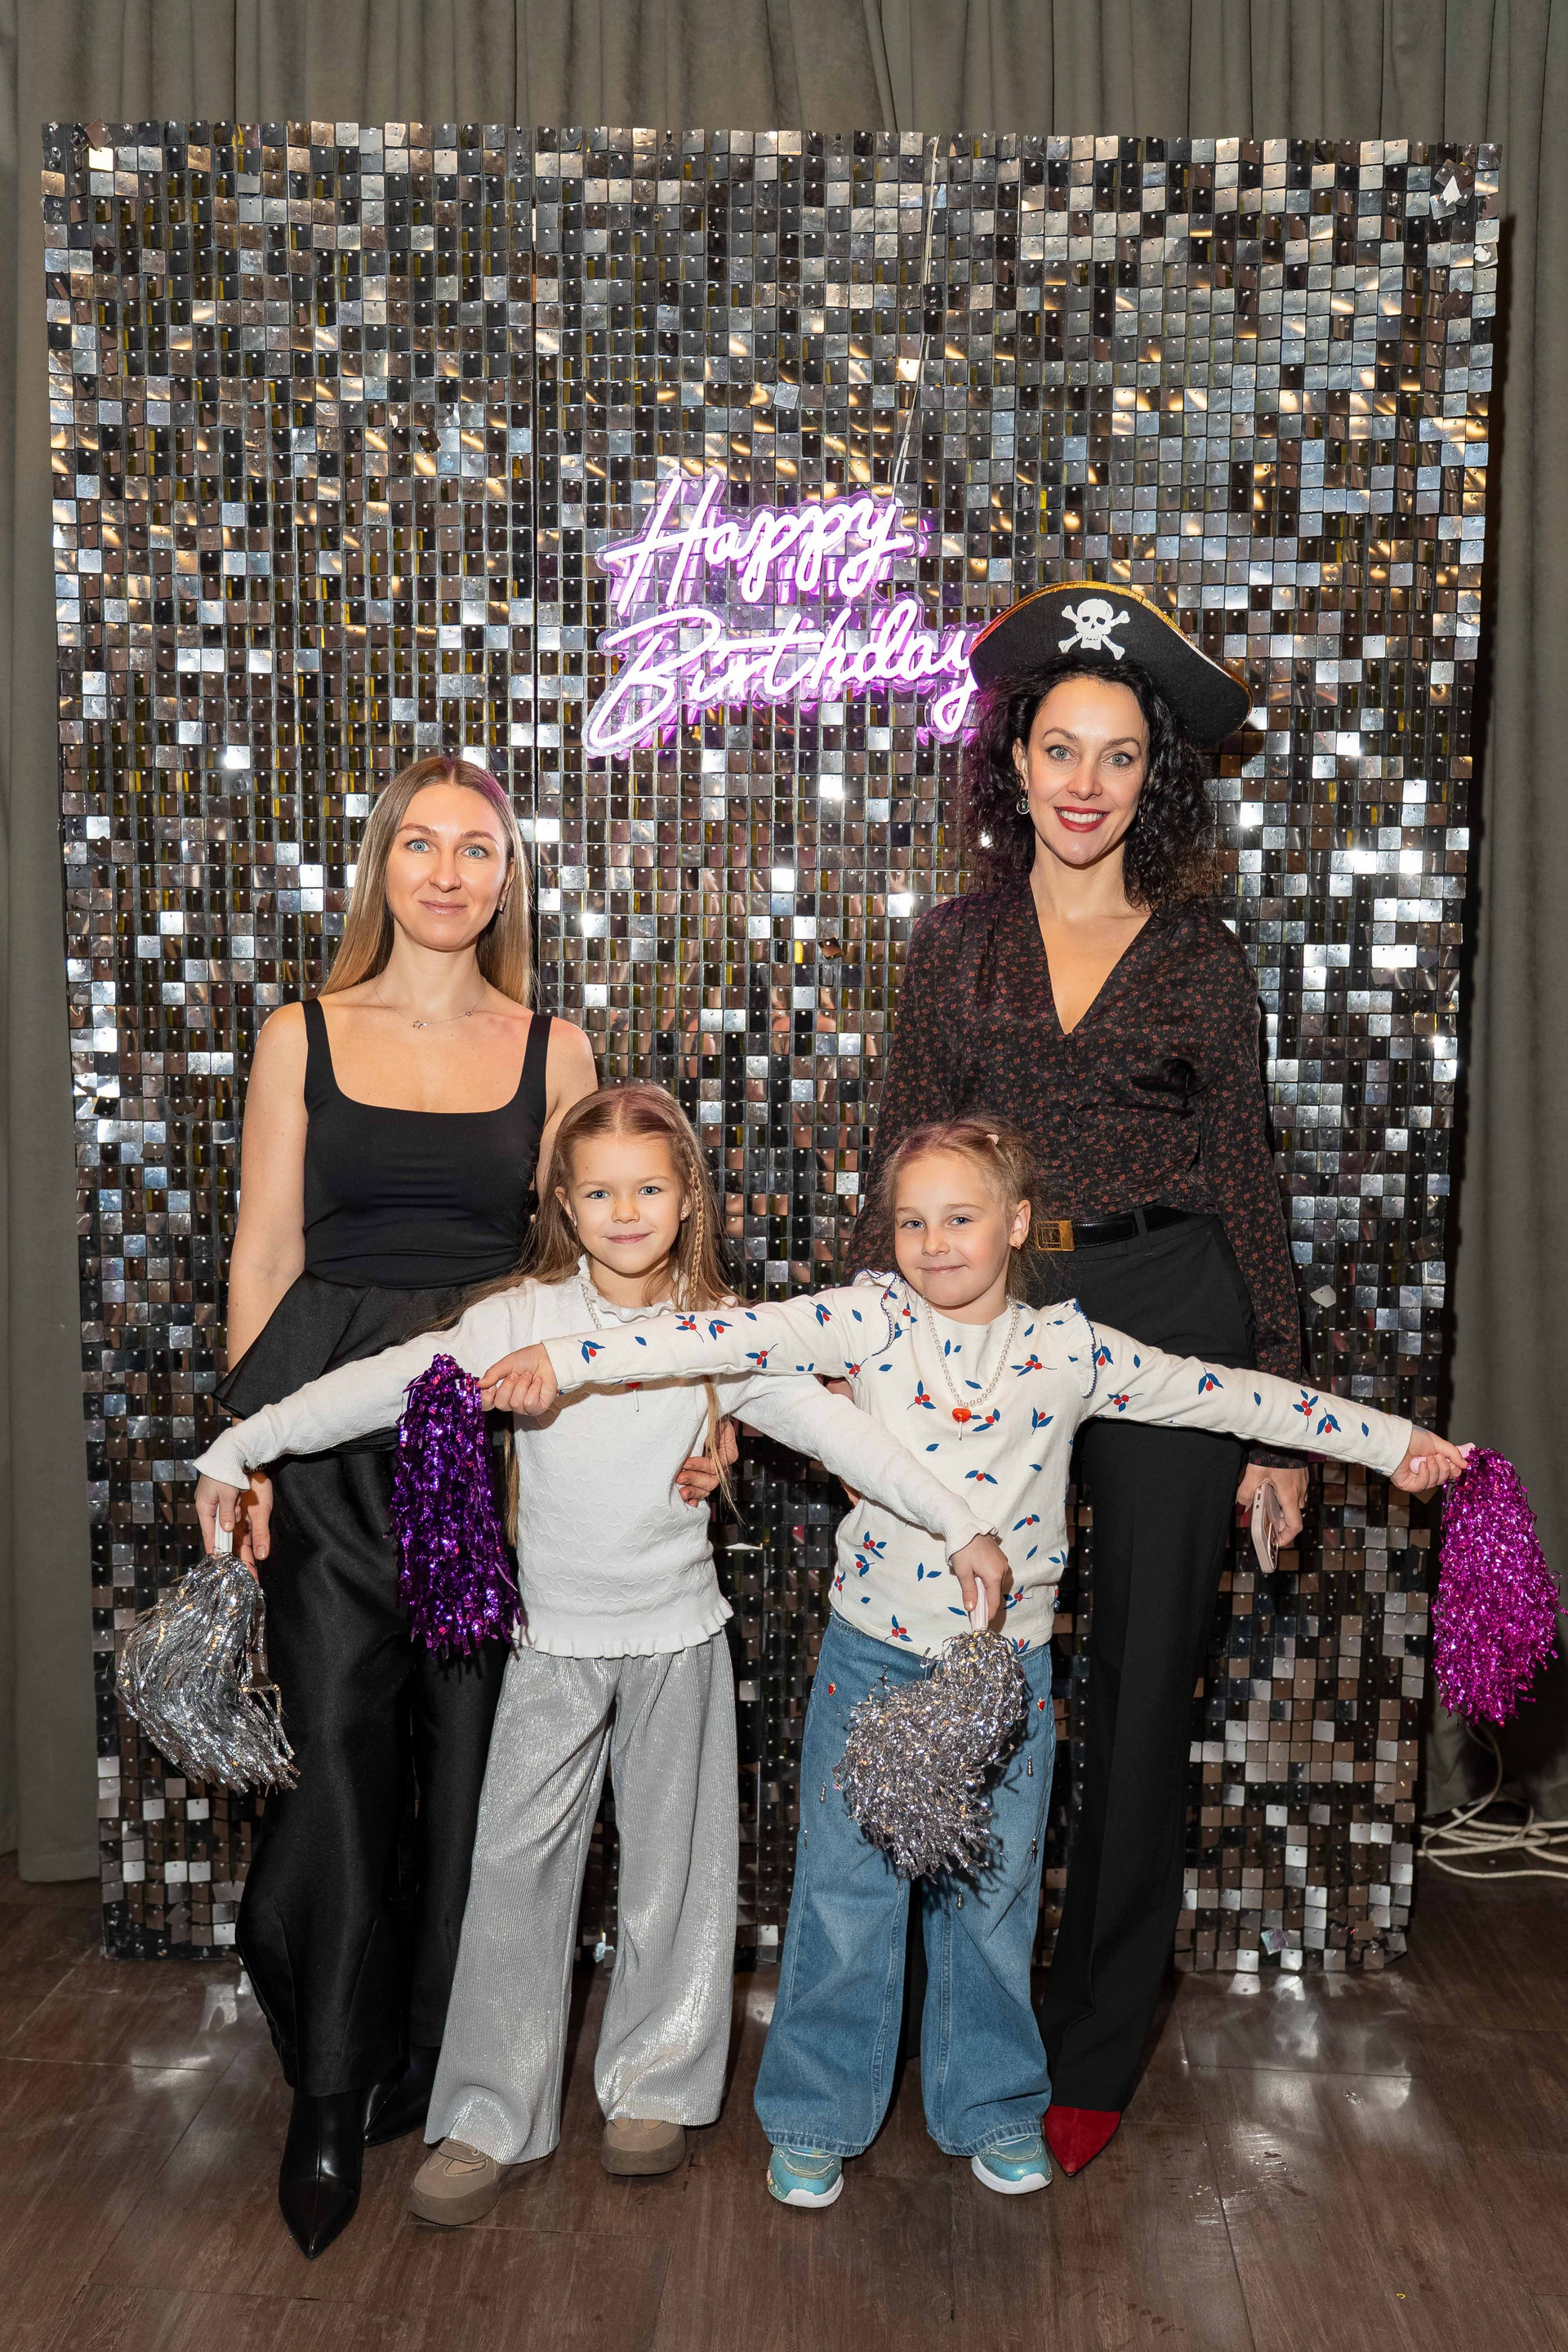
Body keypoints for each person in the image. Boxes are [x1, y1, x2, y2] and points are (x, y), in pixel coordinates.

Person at [480, 1116, 1468, 2211]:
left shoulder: (1075, 1350)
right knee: (844, 1901)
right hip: (869, 1665)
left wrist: (1393, 1444)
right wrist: (560, 1358)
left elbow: (1236, 1395)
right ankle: (813, 2114)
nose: (935, 1242)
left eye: (960, 1218)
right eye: (912, 1221)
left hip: (1007, 1681)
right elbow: (708, 1338)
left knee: (991, 1902)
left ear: (1019, 1223)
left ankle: (992, 2105)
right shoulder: (865, 1319)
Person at [194, 1085, 1006, 2230]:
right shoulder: (514, 1318)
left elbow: (844, 1436)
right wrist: (241, 1441)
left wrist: (959, 1522)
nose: (626, 1212)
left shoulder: (728, 1330)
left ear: (688, 1200)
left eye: (649, 1188)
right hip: (551, 1646)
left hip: (678, 1640)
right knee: (513, 1878)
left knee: (678, 1871)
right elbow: (378, 1385)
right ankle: (488, 2113)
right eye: (600, 1192)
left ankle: (656, 2087)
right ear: (565, 1207)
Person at [845, 581, 1312, 2173]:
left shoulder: (1202, 957)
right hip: (999, 1316)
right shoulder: (955, 944)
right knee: (976, 1658)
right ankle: (968, 2014)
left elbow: (1247, 1180)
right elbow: (904, 1159)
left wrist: (1281, 1419)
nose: (1087, 782)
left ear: (1153, 779)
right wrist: (851, 1358)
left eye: (1120, 755)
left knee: (1142, 1687)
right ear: (1017, 762)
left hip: (1175, 1309)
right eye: (1061, 748)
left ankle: (1098, 2035)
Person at [211, 750, 608, 2258]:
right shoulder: (299, 1033)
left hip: (490, 1437)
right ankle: (328, 2083)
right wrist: (245, 1450)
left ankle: (445, 2069)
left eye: (478, 850)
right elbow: (263, 1254)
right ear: (382, 865)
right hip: (328, 1430)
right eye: (421, 845)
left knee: (477, 1757)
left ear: (508, 881)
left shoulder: (555, 1049)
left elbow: (582, 1262)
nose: (448, 873)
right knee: (335, 1754)